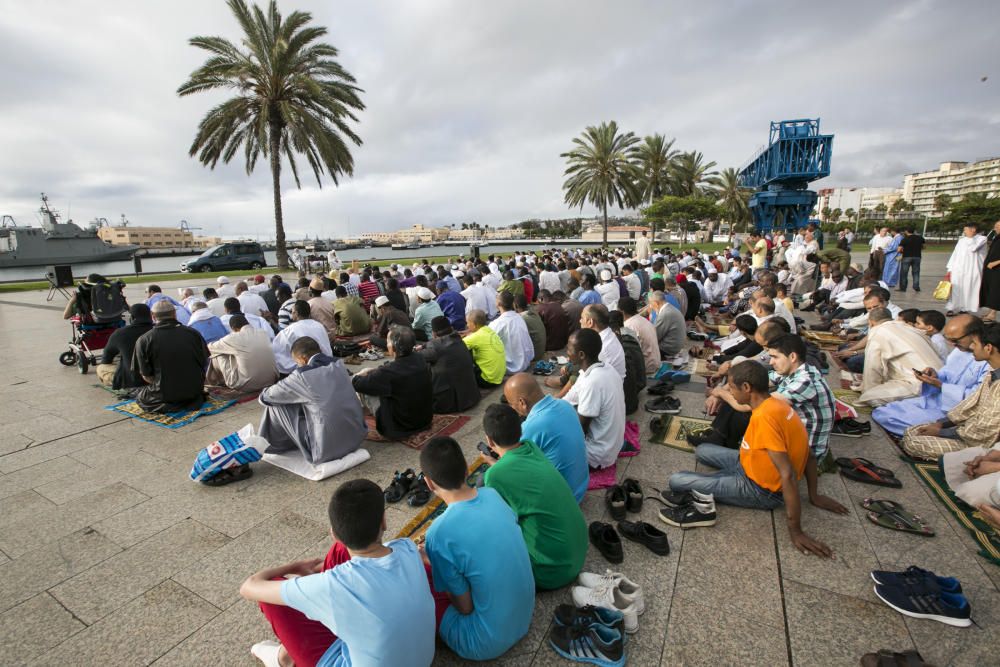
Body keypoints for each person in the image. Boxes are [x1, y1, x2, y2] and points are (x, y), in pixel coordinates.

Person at [240, 479, 435, 667]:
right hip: (421, 660)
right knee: (341, 554)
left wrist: (295, 566)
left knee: (272, 588)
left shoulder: (332, 584)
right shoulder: (407, 548)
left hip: (343, 653)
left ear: (334, 533)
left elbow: (249, 587)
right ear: (383, 522)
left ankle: (283, 659)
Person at [666, 361, 847, 554]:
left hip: (760, 489)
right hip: (748, 462)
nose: (731, 393)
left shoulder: (765, 419)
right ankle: (723, 479)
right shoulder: (775, 404)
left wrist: (796, 531)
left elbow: (788, 475)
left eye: (733, 388)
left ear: (746, 388)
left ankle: (723, 485)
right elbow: (809, 455)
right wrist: (813, 494)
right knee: (703, 450)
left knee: (677, 480)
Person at [420, 437, 535, 661]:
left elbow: (465, 608)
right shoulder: (492, 495)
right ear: (465, 468)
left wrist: (431, 562)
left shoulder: (439, 533)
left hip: (484, 642)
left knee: (422, 586)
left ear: (429, 483)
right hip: (525, 617)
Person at [481, 404, 588, 589]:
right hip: (577, 553)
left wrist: (495, 469)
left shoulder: (495, 475)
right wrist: (497, 465)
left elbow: (500, 525)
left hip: (551, 571)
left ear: (489, 441)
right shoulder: (531, 447)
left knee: (482, 544)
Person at [258, 335, 367, 467]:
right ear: (319, 349)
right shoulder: (338, 363)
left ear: (302, 359)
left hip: (327, 449)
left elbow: (266, 397)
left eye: (296, 361)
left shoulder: (302, 376)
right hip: (356, 438)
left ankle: (269, 445)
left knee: (275, 405)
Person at [873, 314, 989, 436]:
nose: (952, 344)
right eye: (948, 339)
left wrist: (940, 385)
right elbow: (947, 374)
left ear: (975, 335)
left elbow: (977, 399)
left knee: (890, 418)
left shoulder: (988, 359)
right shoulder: (959, 351)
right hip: (936, 400)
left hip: (954, 410)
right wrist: (934, 376)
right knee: (883, 411)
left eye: (956, 340)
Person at [900, 322, 1000, 460]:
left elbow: (986, 430)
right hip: (968, 428)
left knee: (915, 443)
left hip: (985, 443)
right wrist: (941, 424)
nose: (971, 347)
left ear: (988, 348)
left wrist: (942, 432)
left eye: (975, 344)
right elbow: (971, 404)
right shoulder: (992, 371)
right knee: (913, 431)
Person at [504, 373, 589, 501]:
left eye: (511, 404)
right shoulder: (565, 405)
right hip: (581, 487)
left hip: (564, 500)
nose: (512, 408)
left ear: (522, 402)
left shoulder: (531, 426)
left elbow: (513, 464)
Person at [765, 334, 836, 467]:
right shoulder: (798, 369)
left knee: (746, 413)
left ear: (792, 357)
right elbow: (761, 379)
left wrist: (720, 393)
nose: (771, 362)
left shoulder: (805, 381)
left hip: (806, 456)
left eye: (775, 357)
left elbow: (758, 402)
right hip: (796, 442)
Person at [352, 325, 433, 438]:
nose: (386, 344)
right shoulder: (420, 359)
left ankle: (361, 421)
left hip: (399, 428)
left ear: (394, 346)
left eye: (388, 341)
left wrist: (359, 374)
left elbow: (357, 384)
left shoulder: (388, 372)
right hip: (425, 421)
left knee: (367, 389)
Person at [564, 329, 626, 470]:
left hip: (597, 455)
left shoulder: (592, 382)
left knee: (547, 445)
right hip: (611, 445)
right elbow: (569, 398)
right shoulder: (606, 368)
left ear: (581, 355)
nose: (566, 352)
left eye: (568, 348)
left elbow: (580, 431)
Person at [132, 300, 208, 413]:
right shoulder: (193, 333)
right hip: (194, 390)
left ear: (153, 316)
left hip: (164, 393)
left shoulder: (144, 339)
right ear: (174, 314)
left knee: (140, 395)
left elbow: (146, 376)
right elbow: (204, 362)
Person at [858, 307, 943, 406]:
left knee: (868, 397)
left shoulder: (877, 331)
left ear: (871, 323)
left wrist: (867, 390)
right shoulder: (908, 327)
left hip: (921, 383)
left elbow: (872, 367)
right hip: (942, 379)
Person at [419, 316, 481, 414]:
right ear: (451, 328)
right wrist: (423, 346)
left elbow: (417, 357)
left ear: (434, 334)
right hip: (471, 396)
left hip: (449, 404)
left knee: (422, 366)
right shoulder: (459, 339)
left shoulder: (435, 347)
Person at [206, 314, 279, 392]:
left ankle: (217, 382)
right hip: (271, 379)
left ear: (234, 328)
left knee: (217, 354)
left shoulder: (233, 338)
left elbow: (210, 348)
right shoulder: (263, 333)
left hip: (247, 385)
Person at [96, 303, 154, 390]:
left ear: (132, 318)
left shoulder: (119, 333)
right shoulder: (158, 331)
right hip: (159, 378)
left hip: (132, 382)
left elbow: (106, 359)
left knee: (101, 368)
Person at [272, 301, 334, 375]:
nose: (291, 314)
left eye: (292, 312)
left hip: (305, 371)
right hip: (327, 364)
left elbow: (276, 352)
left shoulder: (289, 330)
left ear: (296, 313)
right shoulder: (319, 326)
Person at [946, 223, 988, 315]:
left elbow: (973, 248)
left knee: (970, 288)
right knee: (956, 288)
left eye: (966, 230)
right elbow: (955, 254)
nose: (964, 232)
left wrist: (971, 237)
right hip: (958, 268)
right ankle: (952, 307)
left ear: (973, 229)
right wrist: (950, 268)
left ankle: (965, 308)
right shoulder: (961, 240)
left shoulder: (982, 239)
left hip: (973, 269)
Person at [489, 291, 534, 374]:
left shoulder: (497, 324)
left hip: (511, 367)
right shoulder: (519, 317)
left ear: (498, 304)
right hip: (525, 362)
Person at [580, 304, 626, 380]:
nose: (580, 321)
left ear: (590, 322)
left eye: (582, 318)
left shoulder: (600, 347)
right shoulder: (607, 333)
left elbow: (586, 375)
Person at [463, 309, 506, 388]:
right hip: (499, 377)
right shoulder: (489, 330)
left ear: (474, 324)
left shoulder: (476, 337)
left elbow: (458, 345)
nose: (467, 325)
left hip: (487, 380)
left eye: (467, 322)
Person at [620, 296, 660, 375]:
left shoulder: (628, 326)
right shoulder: (643, 320)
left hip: (647, 366)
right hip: (656, 362)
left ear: (622, 312)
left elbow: (632, 354)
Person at [647, 290, 686, 360]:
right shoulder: (669, 308)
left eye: (651, 304)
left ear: (656, 303)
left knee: (644, 348)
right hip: (676, 345)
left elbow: (655, 336)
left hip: (669, 349)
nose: (650, 306)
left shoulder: (665, 313)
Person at [514, 294, 546, 363]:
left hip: (535, 354)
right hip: (541, 350)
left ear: (516, 306)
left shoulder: (521, 319)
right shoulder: (533, 312)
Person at [979, 220, 1000, 322]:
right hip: (991, 269)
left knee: (996, 291)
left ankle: (992, 314)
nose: (996, 228)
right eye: (995, 226)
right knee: (991, 290)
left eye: (998, 226)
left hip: (997, 269)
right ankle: (991, 311)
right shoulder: (996, 237)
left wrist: (995, 263)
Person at [898, 227, 925, 293]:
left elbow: (899, 249)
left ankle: (903, 288)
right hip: (917, 257)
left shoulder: (905, 239)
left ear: (907, 231)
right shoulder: (920, 238)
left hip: (906, 257)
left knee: (904, 273)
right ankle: (916, 286)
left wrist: (902, 252)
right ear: (914, 231)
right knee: (916, 272)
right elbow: (924, 246)